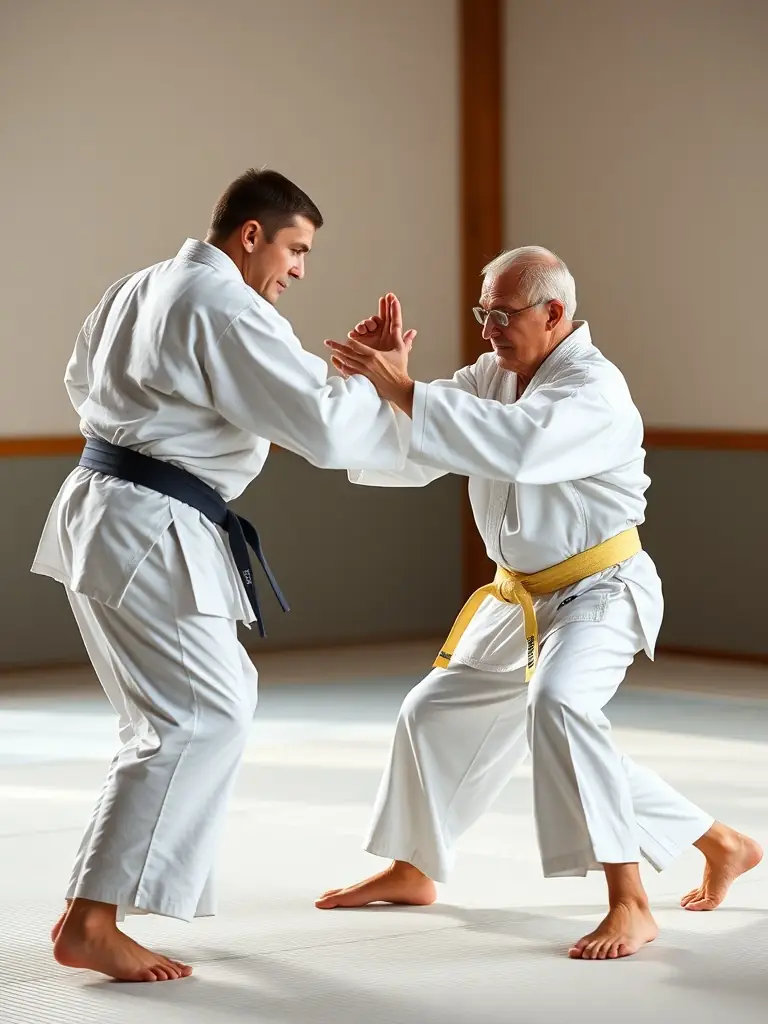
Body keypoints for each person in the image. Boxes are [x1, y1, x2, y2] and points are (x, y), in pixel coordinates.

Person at [316, 246, 762, 960]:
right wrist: (370, 384)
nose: (488, 327)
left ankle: (631, 901)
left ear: (554, 313)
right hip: (517, 595)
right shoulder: (493, 375)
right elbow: (421, 445)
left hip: (599, 590)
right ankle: (416, 866)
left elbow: (516, 446)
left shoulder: (594, 389)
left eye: (502, 313)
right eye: (481, 312)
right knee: (431, 713)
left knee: (559, 708)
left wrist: (405, 390)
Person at [32, 168, 416, 983]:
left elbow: (82, 384)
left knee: (186, 712)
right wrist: (378, 383)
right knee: (198, 716)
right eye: (297, 249)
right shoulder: (226, 305)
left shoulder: (139, 287)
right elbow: (316, 427)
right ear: (251, 235)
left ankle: (93, 910)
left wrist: (318, 393)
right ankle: (93, 919)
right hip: (151, 525)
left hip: (108, 507)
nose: (301, 270)